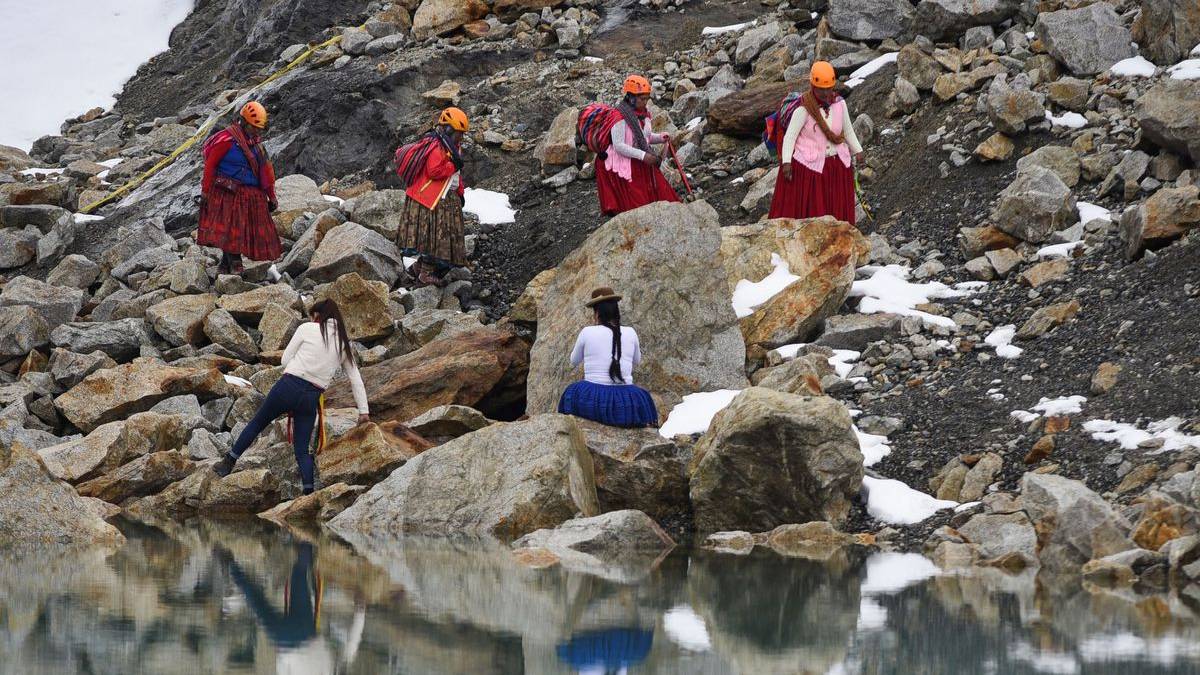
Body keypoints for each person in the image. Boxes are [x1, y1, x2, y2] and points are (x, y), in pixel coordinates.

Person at [213, 299, 369, 495]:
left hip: (288, 387)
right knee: (302, 449)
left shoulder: (307, 329)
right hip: (311, 397)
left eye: (312, 316)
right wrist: (364, 412)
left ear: (318, 315)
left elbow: (285, 360)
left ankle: (228, 462)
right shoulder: (343, 343)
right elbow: (356, 379)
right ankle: (308, 493)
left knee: (258, 423)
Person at [768, 61, 864, 224]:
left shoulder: (840, 104)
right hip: (809, 169)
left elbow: (847, 130)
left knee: (835, 207)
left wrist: (858, 150)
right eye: (821, 89)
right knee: (814, 210)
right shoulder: (803, 109)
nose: (825, 93)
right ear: (813, 86)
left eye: (828, 88)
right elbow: (790, 137)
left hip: (837, 166)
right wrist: (786, 163)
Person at [199, 101, 281, 274]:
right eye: (253, 127)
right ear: (243, 122)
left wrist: (271, 196)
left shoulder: (257, 146)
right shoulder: (226, 141)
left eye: (259, 128)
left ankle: (224, 265)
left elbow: (266, 173)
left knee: (236, 230)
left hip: (251, 195)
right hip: (227, 193)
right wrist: (205, 191)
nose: (256, 131)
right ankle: (235, 264)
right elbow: (210, 166)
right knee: (232, 229)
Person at [557, 288, 658, 428]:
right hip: (625, 401)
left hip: (593, 399)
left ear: (597, 313)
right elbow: (637, 360)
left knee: (570, 392)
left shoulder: (587, 332)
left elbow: (573, 360)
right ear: (616, 311)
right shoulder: (631, 332)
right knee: (644, 397)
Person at [396, 107, 470, 287]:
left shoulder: (451, 147)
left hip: (442, 198)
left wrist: (460, 193)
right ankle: (425, 274)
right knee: (434, 237)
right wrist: (453, 165)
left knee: (435, 236)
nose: (460, 138)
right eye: (458, 133)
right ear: (448, 129)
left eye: (462, 134)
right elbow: (434, 171)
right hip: (432, 200)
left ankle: (416, 270)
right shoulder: (437, 145)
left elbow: (456, 175)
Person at [594, 75, 681, 216]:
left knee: (659, 190)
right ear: (631, 97)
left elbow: (645, 137)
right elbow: (619, 145)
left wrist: (660, 137)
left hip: (639, 158)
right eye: (642, 99)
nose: (645, 102)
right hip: (623, 161)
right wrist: (644, 155)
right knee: (637, 203)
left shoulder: (644, 114)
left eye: (647, 98)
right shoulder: (619, 117)